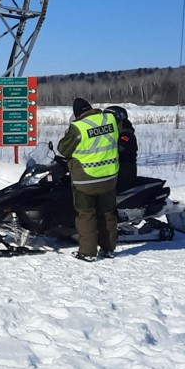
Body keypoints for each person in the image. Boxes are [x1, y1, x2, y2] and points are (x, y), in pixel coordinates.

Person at [57, 97, 120, 262]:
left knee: (86, 215)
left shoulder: (78, 127)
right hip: (109, 176)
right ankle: (108, 249)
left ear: (77, 114)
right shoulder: (110, 119)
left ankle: (88, 252)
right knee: (108, 213)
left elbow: (63, 149)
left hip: (86, 180)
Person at [105, 105, 138, 190]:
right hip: (114, 174)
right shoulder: (114, 134)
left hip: (124, 176)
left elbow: (120, 148)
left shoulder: (126, 135)